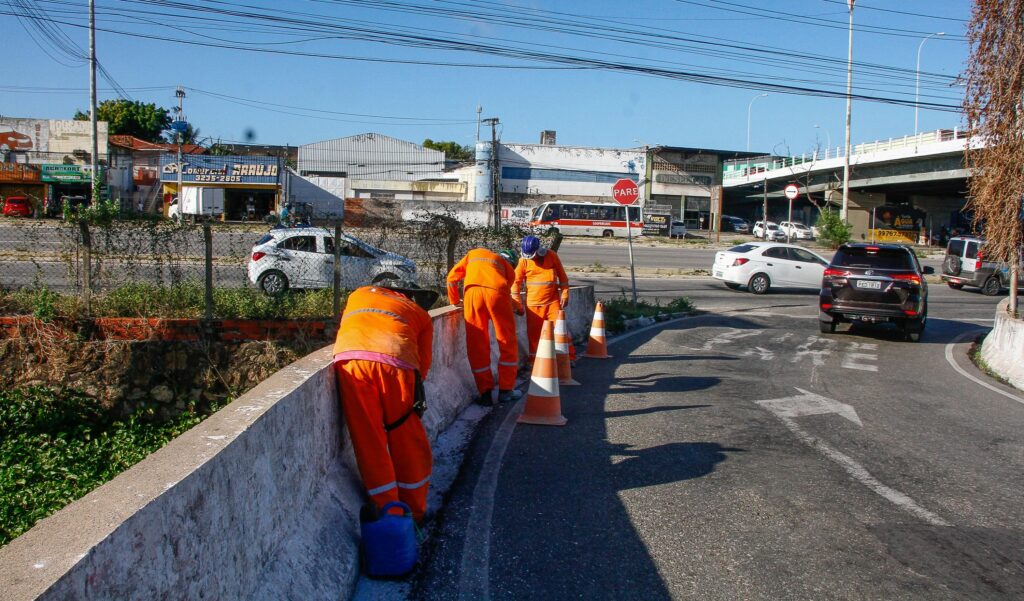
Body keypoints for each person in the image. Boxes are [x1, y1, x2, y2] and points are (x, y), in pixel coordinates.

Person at [332, 280, 438, 523]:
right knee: (406, 436)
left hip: (349, 360)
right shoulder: (420, 314)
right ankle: (415, 510)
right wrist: (412, 396)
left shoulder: (356, 294)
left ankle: (387, 507)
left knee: (369, 439)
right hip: (396, 362)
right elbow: (423, 366)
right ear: (407, 294)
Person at [446, 248, 523, 406]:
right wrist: (519, 308)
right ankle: (506, 391)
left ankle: (485, 393)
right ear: (511, 262)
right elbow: (503, 293)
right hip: (497, 295)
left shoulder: (475, 253)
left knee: (477, 345)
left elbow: (451, 279)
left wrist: (454, 300)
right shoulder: (507, 267)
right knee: (507, 342)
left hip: (472, 295)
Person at [512, 235, 575, 364]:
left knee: (561, 331)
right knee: (534, 336)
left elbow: (563, 278)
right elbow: (515, 284)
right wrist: (518, 304)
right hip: (533, 306)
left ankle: (567, 359)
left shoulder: (551, 256)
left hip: (553, 302)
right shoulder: (523, 261)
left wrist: (565, 294)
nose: (532, 258)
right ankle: (535, 363)